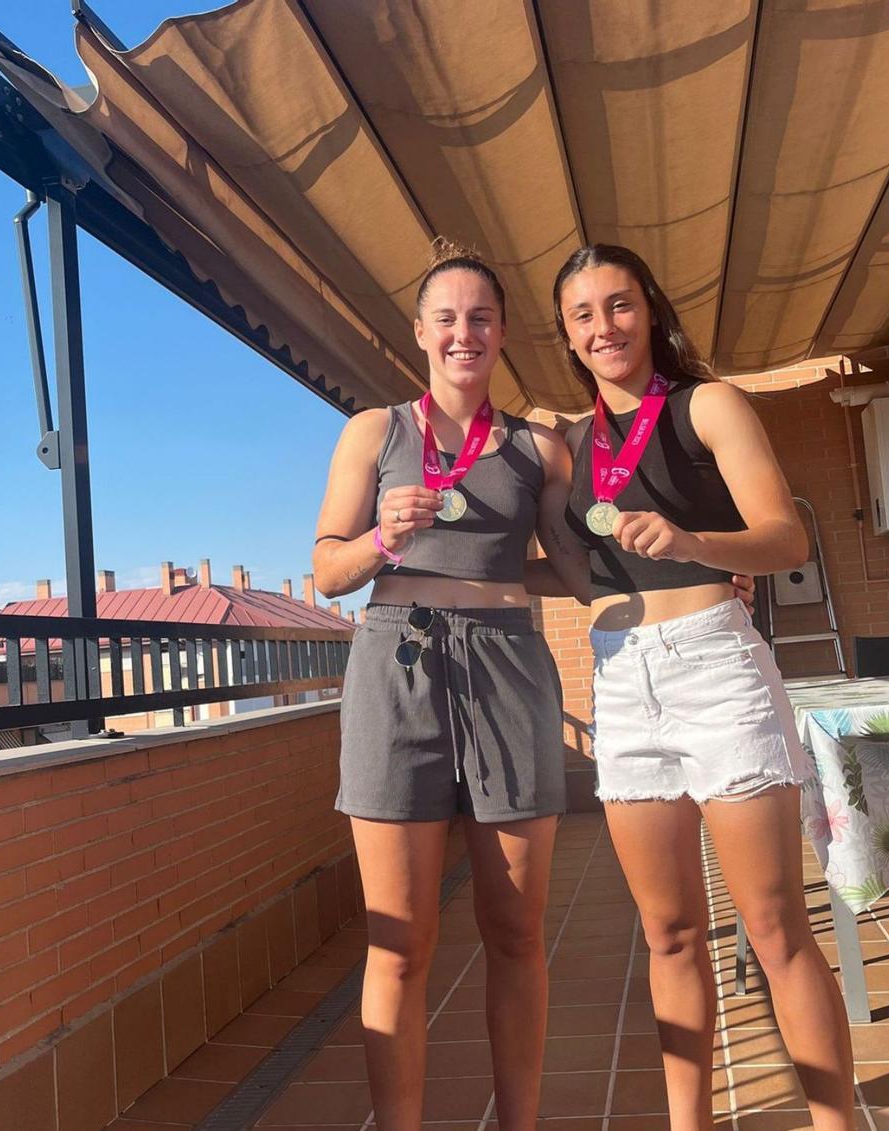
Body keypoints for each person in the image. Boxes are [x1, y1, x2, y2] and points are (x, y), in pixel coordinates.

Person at [554, 244, 856, 1131]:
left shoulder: (708, 404)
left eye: (618, 305)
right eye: (583, 314)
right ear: (568, 337)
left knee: (773, 926)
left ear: (648, 309)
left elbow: (784, 539)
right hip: (622, 682)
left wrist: (696, 543)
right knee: (671, 935)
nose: (603, 326)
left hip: (717, 666)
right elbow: (576, 574)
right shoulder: (573, 447)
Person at [311, 240, 585, 1131]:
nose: (463, 332)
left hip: (508, 665)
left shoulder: (541, 449)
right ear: (420, 332)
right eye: (447, 317)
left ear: (501, 333)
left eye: (481, 317)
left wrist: (687, 566)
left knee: (515, 933)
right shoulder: (374, 432)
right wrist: (384, 537)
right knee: (400, 943)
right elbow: (326, 570)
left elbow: (578, 574)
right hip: (397, 665)